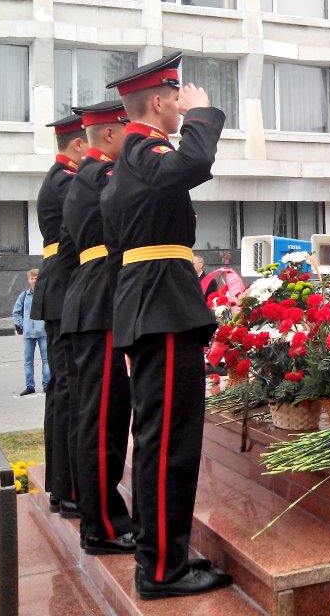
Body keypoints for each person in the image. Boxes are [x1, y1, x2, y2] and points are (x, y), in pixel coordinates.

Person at [103, 52, 232, 599]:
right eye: (178, 99)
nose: (183, 106)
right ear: (158, 102)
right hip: (162, 304)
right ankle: (161, 570)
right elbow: (192, 163)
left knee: (163, 437)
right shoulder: (143, 149)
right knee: (168, 442)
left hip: (153, 301)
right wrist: (204, 114)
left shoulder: (130, 159)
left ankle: (162, 559)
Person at [60, 100, 135, 556]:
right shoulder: (103, 174)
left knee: (94, 417)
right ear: (109, 135)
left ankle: (98, 518)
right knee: (104, 419)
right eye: (128, 130)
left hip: (88, 300)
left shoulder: (84, 174)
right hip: (100, 302)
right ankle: (104, 525)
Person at [30, 113, 86, 519]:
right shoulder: (66, 181)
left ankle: (62, 484)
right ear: (79, 145)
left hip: (61, 287)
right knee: (68, 391)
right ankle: (68, 489)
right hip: (65, 287)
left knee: (63, 390)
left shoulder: (60, 177)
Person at [12, 268, 49, 396]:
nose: (34, 280)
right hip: (28, 334)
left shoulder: (45, 295)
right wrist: (23, 325)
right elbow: (16, 312)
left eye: (36, 278)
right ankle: (30, 386)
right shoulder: (24, 296)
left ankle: (47, 385)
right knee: (28, 361)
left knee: (46, 360)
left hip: (43, 332)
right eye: (31, 278)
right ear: (28, 280)